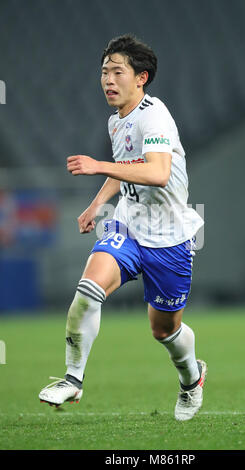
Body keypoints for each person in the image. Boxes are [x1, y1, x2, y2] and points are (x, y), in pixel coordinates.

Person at [39, 34, 207, 421]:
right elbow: (125, 169)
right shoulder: (117, 120)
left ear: (141, 78)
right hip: (128, 225)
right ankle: (73, 379)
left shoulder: (154, 115)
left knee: (163, 331)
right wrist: (97, 204)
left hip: (169, 238)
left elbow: (158, 173)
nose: (108, 80)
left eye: (118, 72)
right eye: (104, 72)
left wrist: (98, 165)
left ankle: (191, 378)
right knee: (87, 289)